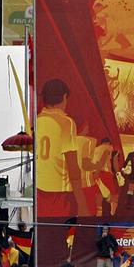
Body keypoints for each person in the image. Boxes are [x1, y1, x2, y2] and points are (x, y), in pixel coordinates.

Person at [36, 79, 82, 218]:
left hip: (38, 190)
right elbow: (72, 165)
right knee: (60, 234)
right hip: (59, 192)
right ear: (63, 97)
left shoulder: (36, 120)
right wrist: (82, 202)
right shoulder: (66, 122)